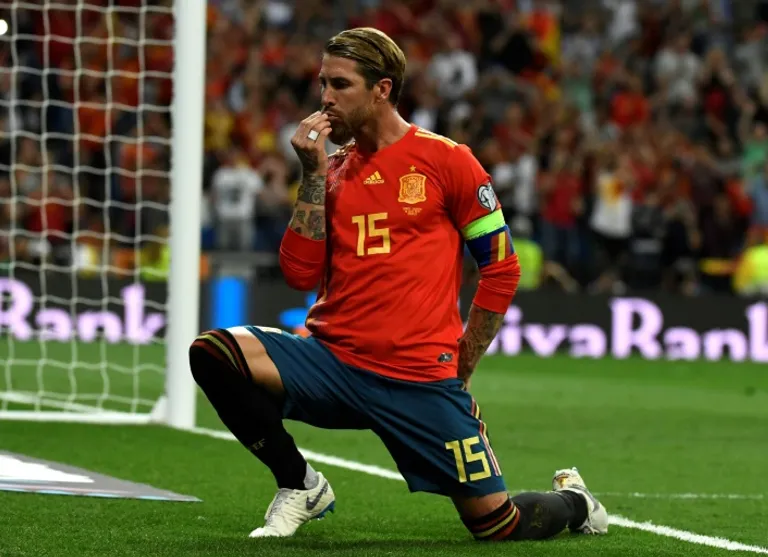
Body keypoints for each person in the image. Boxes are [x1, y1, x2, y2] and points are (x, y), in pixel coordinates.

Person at [189, 27, 609, 541]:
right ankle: (299, 484)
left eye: (340, 84)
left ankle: (575, 501)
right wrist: (312, 177)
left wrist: (464, 362)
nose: (325, 98)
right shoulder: (331, 171)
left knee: (497, 525)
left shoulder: (447, 161)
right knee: (214, 352)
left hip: (418, 378)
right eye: (322, 83)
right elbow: (299, 274)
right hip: (332, 364)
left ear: (381, 89)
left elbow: (502, 268)